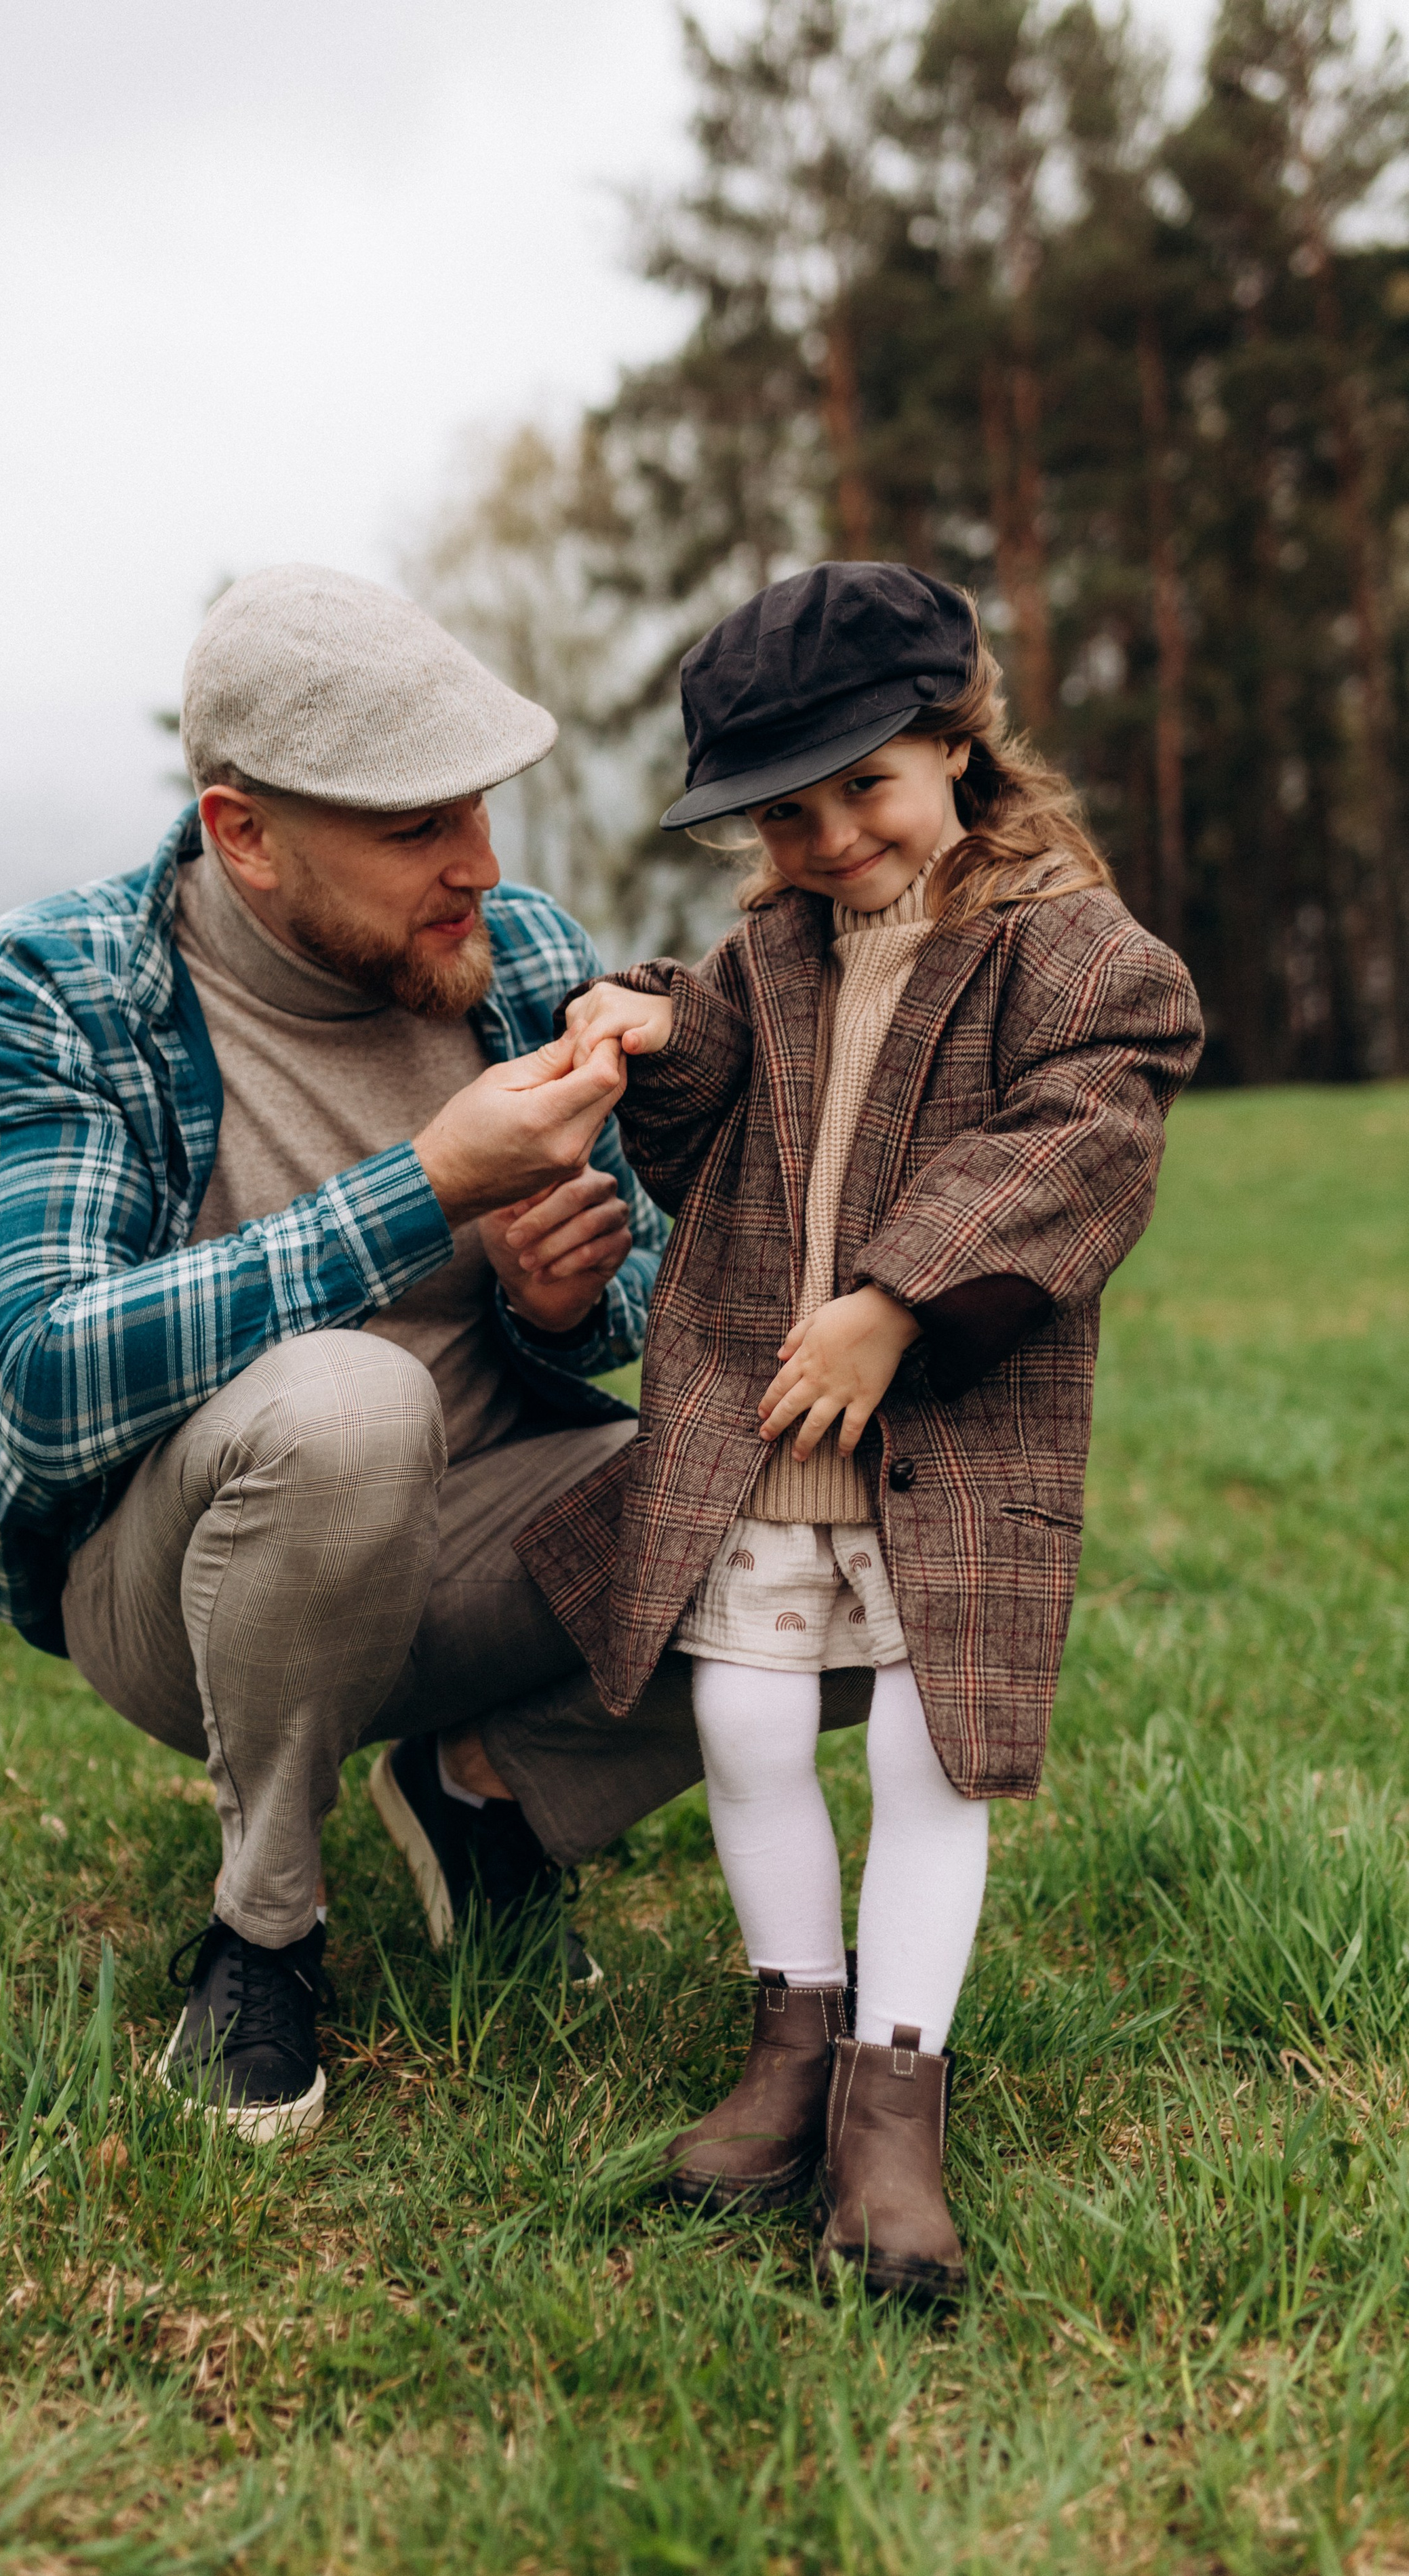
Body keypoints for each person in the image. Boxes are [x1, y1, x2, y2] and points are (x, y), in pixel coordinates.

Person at [0, 565, 742, 2150]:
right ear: (244, 833)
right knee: (349, 1399)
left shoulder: (521, 955)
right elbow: (43, 1368)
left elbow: (662, 1275)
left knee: (837, 1486)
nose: (479, 865)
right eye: (414, 826)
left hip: (482, 1532)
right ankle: (262, 1936)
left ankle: (485, 1794)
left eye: (482, 810)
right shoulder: (61, 983)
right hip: (181, 1588)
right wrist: (425, 1187)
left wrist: (566, 1303)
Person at [532, 560, 1203, 2300]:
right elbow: (707, 1125)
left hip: (949, 1438)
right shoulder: (771, 950)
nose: (832, 839)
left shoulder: (1068, 945)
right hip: (762, 1425)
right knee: (745, 1726)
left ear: (957, 749)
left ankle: (891, 2108)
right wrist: (656, 1029)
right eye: (788, 814)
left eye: (866, 789)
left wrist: (896, 1294)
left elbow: (1087, 1135)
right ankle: (792, 2044)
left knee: (926, 1754)